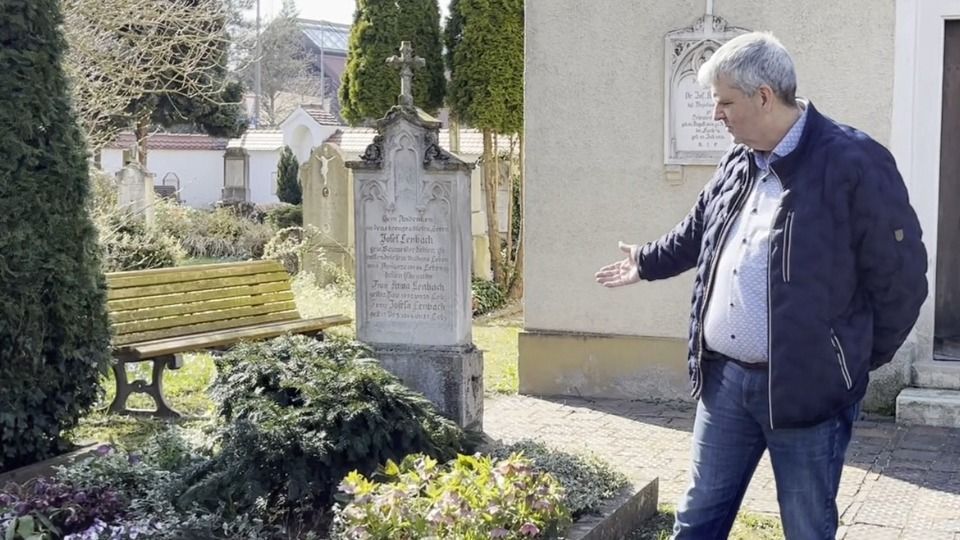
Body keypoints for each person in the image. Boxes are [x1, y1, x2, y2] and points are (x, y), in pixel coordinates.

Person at [594, 32, 927, 539]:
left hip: (807, 393)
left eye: (725, 102)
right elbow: (699, 230)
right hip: (723, 383)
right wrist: (646, 261)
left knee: (807, 527)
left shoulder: (854, 162)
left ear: (764, 96)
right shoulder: (739, 158)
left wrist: (847, 357)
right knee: (697, 519)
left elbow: (901, 280)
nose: (716, 115)